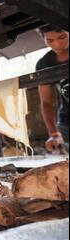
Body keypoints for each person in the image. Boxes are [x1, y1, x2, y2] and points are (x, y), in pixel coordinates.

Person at [36, 25, 69, 153]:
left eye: (62, 37)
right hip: (67, 120)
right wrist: (54, 133)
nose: (57, 44)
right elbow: (46, 103)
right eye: (50, 41)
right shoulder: (44, 64)